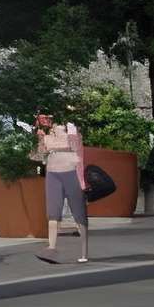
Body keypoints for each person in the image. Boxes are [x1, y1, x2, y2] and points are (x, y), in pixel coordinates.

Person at [35, 108, 89, 264]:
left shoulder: (69, 127)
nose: (43, 120)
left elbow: (76, 148)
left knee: (79, 214)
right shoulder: (45, 133)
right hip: (52, 173)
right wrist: (41, 141)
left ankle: (84, 251)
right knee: (53, 213)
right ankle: (51, 248)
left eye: (45, 117)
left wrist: (82, 180)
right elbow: (40, 154)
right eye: (41, 118)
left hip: (71, 172)